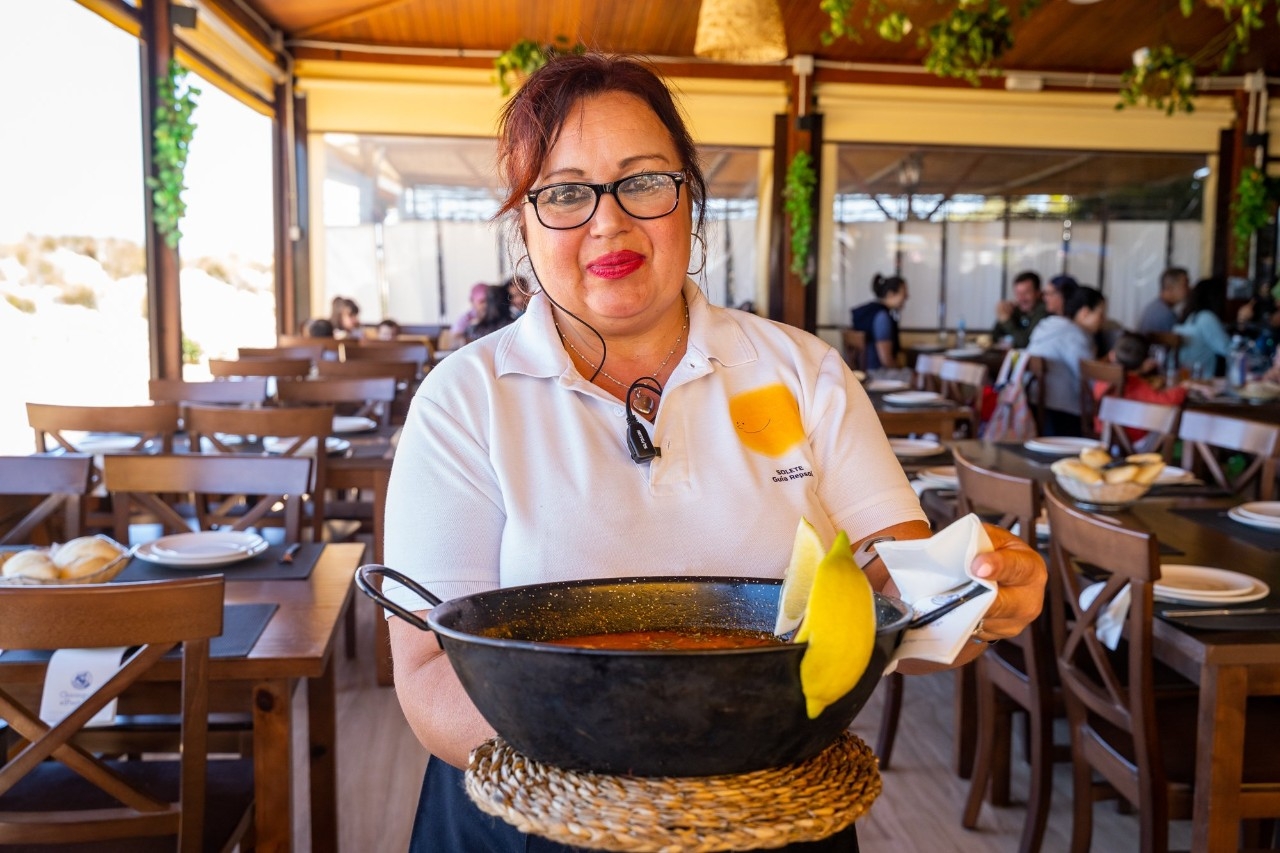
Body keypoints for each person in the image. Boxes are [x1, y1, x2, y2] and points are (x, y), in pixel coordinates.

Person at [383, 53, 1046, 853]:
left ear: (689, 201)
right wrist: (637, 786)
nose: (609, 221)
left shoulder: (804, 372)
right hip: (526, 826)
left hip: (778, 815)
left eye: (644, 181)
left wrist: (980, 601)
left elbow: (895, 601)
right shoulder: (466, 399)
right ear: (523, 224)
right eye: (563, 192)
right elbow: (428, 673)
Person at [1025, 285, 1107, 436]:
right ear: (1084, 313)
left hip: (1034, 406)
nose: (1104, 320)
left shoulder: (1047, 327)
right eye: (1101, 314)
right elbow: (1092, 379)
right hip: (1062, 415)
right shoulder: (1073, 334)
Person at [1091, 332, 1188, 442]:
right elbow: (1167, 400)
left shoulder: (1102, 378)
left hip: (1102, 434)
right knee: (1167, 421)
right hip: (1133, 440)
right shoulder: (1136, 384)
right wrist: (1184, 387)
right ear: (1146, 363)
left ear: (1112, 355)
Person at [1173, 277, 1233, 378]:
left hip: (1184, 377)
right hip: (1202, 379)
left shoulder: (1188, 317)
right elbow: (1227, 349)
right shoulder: (1206, 318)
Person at [850, 274, 908, 370]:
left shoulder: (868, 312)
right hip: (878, 373)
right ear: (891, 294)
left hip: (864, 372)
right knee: (922, 378)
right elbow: (886, 361)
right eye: (904, 293)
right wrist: (900, 368)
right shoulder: (882, 317)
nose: (907, 297)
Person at [992, 271, 1047, 348]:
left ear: (1038, 293)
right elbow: (995, 337)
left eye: (1026, 293)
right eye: (1018, 294)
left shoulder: (1044, 311)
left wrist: (1006, 320)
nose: (1021, 299)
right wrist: (1004, 314)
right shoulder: (1017, 309)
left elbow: (1025, 343)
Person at [1136, 267, 1189, 334]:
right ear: (1170, 288)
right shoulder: (1166, 315)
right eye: (1185, 285)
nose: (1189, 289)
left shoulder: (1152, 307)